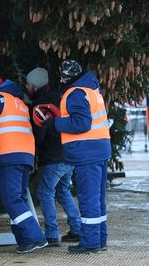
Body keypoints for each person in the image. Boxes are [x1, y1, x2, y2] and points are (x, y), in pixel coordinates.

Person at [43, 60, 111, 254]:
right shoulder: (91, 90)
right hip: (99, 148)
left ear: (65, 76)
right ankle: (99, 240)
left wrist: (55, 123)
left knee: (88, 198)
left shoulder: (75, 93)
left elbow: (81, 124)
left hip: (87, 151)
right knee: (97, 199)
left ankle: (90, 243)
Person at [0, 74, 47, 254]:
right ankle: (24, 239)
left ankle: (35, 237)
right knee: (19, 199)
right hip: (25, 155)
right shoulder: (18, 102)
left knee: (11, 199)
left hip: (7, 154)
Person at [26, 67, 81, 246]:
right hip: (69, 153)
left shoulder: (39, 105)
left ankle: (51, 234)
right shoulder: (60, 97)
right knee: (62, 191)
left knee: (45, 192)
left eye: (28, 84)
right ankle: (77, 229)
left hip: (52, 157)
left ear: (35, 85)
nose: (26, 86)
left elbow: (40, 135)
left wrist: (33, 154)